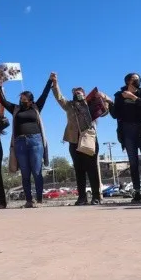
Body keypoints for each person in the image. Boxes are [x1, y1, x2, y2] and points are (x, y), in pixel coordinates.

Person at [51, 72, 110, 205]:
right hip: (74, 140)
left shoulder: (91, 104)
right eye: (75, 93)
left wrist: (102, 97)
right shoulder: (69, 105)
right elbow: (59, 98)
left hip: (89, 140)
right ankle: (82, 197)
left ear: (85, 94)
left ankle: (96, 196)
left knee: (92, 169)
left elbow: (105, 111)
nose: (77, 94)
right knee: (79, 170)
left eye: (79, 92)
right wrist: (55, 84)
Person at [0, 77, 53, 208]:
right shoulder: (15, 109)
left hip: (35, 141)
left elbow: (44, 94)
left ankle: (39, 200)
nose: (21, 100)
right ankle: (29, 200)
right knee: (25, 172)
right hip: (19, 142)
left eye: (24, 99)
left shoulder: (36, 107)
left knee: (37, 171)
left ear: (30, 100)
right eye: (20, 98)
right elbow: (3, 101)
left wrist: (50, 81)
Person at [108, 73, 141, 204]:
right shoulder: (119, 95)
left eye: (138, 79)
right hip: (127, 131)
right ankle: (137, 192)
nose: (138, 81)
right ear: (128, 81)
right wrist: (109, 103)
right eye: (134, 79)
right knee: (133, 163)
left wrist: (133, 97)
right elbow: (115, 114)